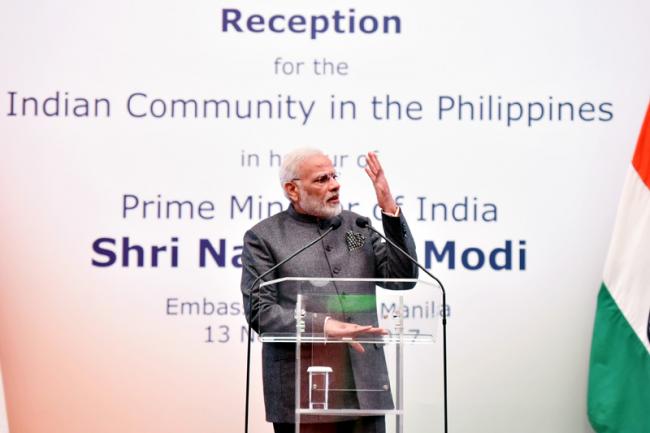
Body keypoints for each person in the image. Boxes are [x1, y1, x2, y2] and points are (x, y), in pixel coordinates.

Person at [241, 148, 418, 433]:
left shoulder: (356, 228)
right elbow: (260, 312)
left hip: (365, 388)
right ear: (292, 189)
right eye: (322, 179)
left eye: (334, 176)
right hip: (302, 390)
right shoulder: (265, 237)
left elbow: (402, 278)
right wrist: (323, 325)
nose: (335, 185)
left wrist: (388, 207)